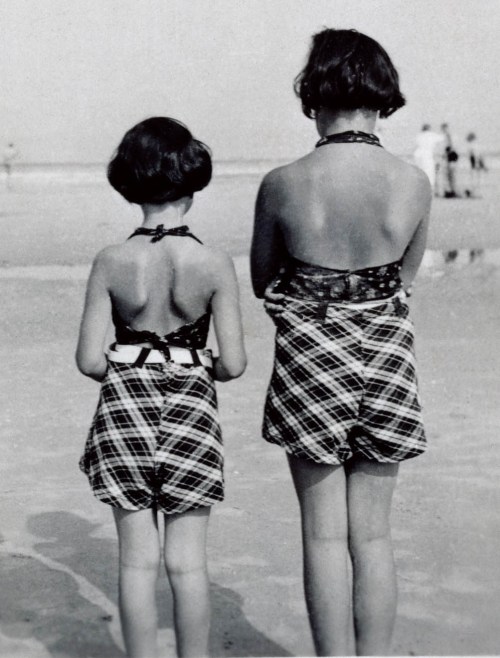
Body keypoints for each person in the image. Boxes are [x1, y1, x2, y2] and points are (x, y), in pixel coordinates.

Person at [251, 28, 431, 656]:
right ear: (383, 99)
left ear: (312, 97)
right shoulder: (412, 183)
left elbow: (262, 277)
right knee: (374, 537)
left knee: (323, 536)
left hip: (310, 354)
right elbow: (403, 282)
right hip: (385, 352)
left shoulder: (282, 182)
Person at [76, 117, 246, 658]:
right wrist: (199, 368)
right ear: (193, 182)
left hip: (124, 404)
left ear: (129, 182)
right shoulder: (213, 262)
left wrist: (130, 370)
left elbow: (87, 359)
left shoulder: (111, 261)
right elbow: (235, 364)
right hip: (191, 406)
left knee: (135, 562)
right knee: (187, 563)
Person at [413, 124, 443, 194]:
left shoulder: (419, 135)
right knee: (429, 172)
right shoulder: (431, 135)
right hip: (426, 155)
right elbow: (441, 138)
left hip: (418, 154)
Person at [440, 123, 459, 197]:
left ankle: (453, 191)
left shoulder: (448, 136)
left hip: (451, 157)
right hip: (451, 157)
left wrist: (445, 154)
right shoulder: (448, 136)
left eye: (444, 129)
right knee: (450, 175)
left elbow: (450, 147)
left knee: (451, 175)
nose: (443, 130)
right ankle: (452, 190)